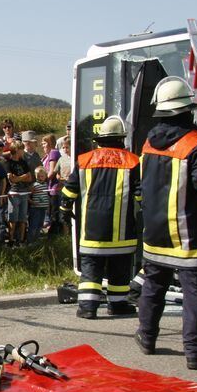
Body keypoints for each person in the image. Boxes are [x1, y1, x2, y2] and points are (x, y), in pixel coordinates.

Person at [135, 77, 197, 370]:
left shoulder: (149, 142)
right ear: (188, 109)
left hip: (155, 234)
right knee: (194, 296)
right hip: (189, 236)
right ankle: (194, 354)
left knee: (153, 287)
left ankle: (147, 338)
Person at [60, 116, 139, 321]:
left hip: (92, 230)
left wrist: (64, 210)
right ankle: (118, 305)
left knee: (91, 271)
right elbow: (140, 194)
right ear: (121, 139)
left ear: (100, 139)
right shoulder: (132, 161)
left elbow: (70, 190)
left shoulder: (85, 160)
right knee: (119, 272)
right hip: (122, 232)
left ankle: (88, 307)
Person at [4, 141, 33, 244]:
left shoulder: (23, 162)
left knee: (22, 218)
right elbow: (12, 180)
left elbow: (30, 178)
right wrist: (23, 177)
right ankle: (11, 239)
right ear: (16, 150)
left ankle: (20, 239)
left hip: (24, 193)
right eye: (21, 149)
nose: (23, 151)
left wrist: (18, 178)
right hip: (14, 193)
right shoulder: (8, 163)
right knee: (13, 218)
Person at [29, 167, 50, 242]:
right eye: (38, 176)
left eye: (42, 176)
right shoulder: (34, 185)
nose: (40, 178)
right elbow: (28, 195)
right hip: (35, 208)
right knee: (34, 224)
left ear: (45, 176)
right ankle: (30, 240)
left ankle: (36, 240)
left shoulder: (46, 185)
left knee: (40, 225)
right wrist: (31, 202)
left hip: (43, 208)